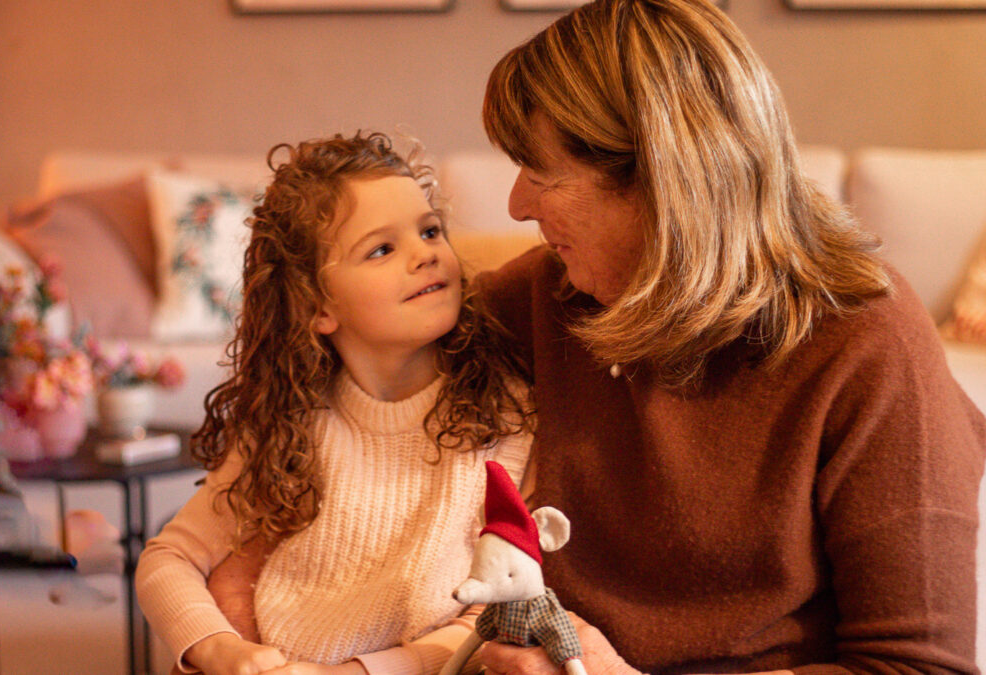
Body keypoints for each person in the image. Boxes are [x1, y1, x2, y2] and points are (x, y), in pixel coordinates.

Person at [205, 0, 986, 673]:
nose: (515, 205)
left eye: (541, 174)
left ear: (659, 182)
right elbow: (328, 395)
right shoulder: (539, 299)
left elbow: (916, 665)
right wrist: (237, 589)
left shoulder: (865, 341)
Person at [135, 132, 533, 675]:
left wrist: (360, 673)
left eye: (430, 230)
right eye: (381, 249)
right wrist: (223, 649)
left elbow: (494, 615)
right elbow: (168, 559)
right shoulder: (291, 424)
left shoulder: (506, 417)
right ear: (318, 307)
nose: (426, 254)